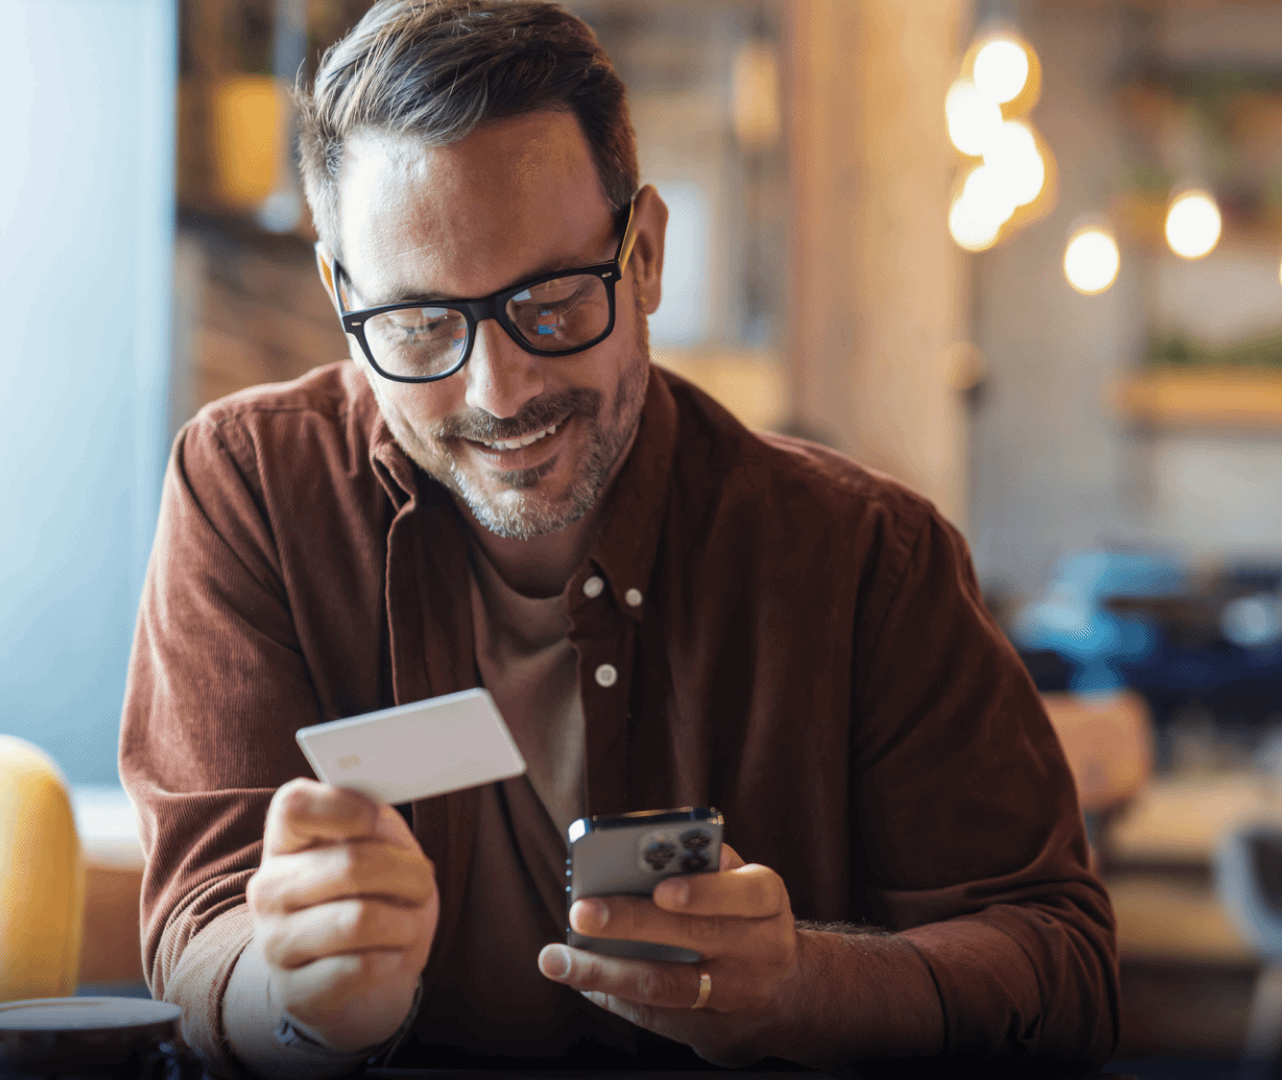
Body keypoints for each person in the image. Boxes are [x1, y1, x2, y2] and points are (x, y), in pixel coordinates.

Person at [118, 2, 1116, 1077]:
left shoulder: (868, 558)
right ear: (342, 298)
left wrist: (804, 989)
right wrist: (302, 999)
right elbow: (205, 915)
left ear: (643, 257)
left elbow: (1060, 970)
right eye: (419, 325)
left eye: (549, 302)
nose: (498, 392)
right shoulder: (252, 490)